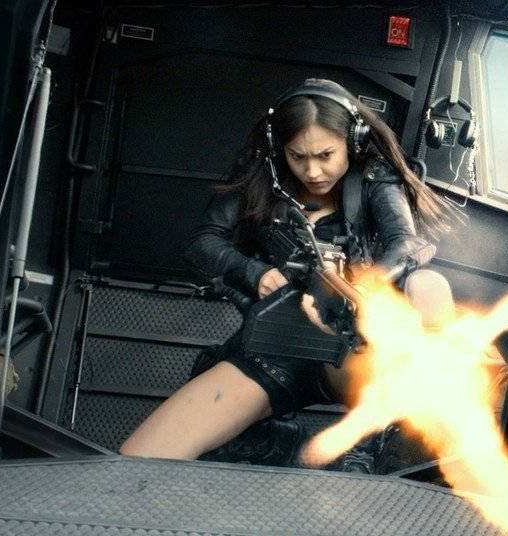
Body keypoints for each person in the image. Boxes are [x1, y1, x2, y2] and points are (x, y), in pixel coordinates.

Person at [119, 78, 459, 472]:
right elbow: (202, 243)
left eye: (326, 155)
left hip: (351, 349)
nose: (313, 171)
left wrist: (367, 291)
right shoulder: (263, 173)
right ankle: (279, 443)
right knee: (138, 458)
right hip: (275, 347)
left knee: (429, 286)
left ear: (353, 140)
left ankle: (390, 441)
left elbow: (407, 243)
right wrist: (255, 273)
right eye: (298, 156)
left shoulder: (373, 177)